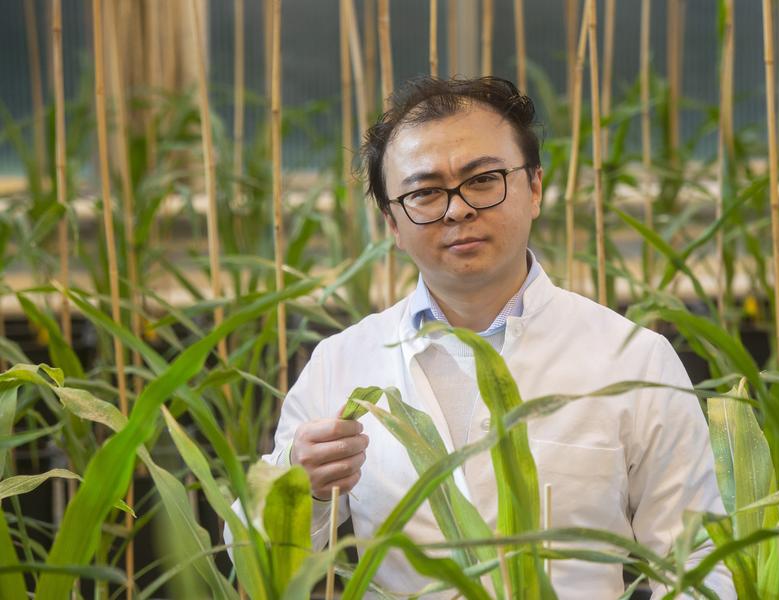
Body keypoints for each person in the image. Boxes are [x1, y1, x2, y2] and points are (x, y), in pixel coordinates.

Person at [253, 77, 734, 598]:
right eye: (425, 192)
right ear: (392, 223)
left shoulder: (633, 360)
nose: (458, 209)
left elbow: (698, 560)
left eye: (483, 180)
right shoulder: (341, 364)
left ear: (534, 188)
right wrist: (300, 490)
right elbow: (254, 565)